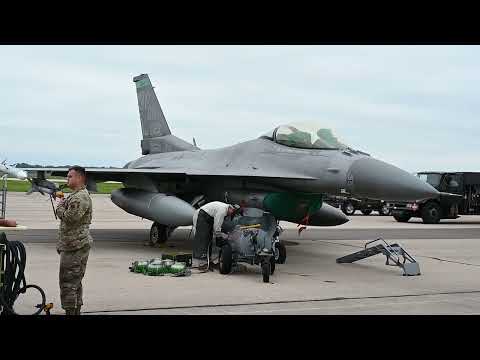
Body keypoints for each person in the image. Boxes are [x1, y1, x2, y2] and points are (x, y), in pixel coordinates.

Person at [55, 166, 93, 315]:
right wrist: (63, 201)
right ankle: (75, 311)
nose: (67, 179)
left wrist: (59, 207)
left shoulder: (80, 197)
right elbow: (70, 211)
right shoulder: (76, 195)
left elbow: (71, 218)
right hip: (74, 244)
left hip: (74, 246)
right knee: (74, 282)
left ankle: (71, 312)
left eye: (70, 176)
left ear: (79, 178)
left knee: (68, 283)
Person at [191, 201, 240, 270]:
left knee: (208, 239)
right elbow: (217, 227)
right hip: (201, 216)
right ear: (231, 208)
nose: (230, 214)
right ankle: (199, 264)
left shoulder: (225, 208)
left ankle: (207, 261)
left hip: (207, 218)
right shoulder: (222, 211)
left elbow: (218, 226)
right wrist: (222, 235)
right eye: (232, 212)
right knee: (202, 239)